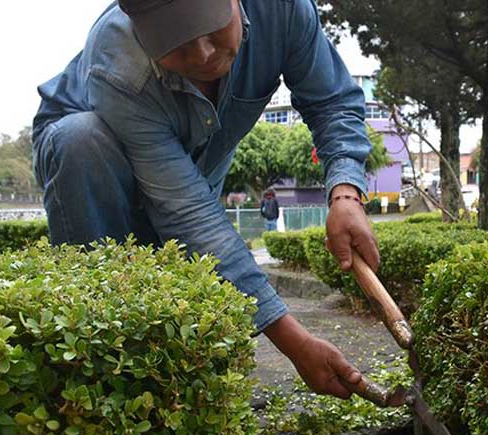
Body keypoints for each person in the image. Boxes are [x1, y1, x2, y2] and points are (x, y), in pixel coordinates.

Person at [31, 0, 381, 399]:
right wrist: (295, 344)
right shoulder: (117, 62)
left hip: (192, 173)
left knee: (190, 287)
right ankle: (95, 377)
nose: (203, 56)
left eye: (214, 29)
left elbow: (331, 101)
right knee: (80, 140)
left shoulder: (280, 9)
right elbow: (189, 215)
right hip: (90, 166)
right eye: (176, 43)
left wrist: (346, 192)